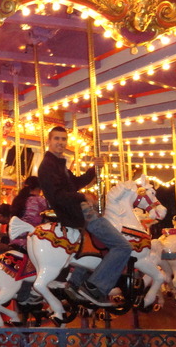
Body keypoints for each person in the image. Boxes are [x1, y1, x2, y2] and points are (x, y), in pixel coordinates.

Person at [38, 126, 131, 307]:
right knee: (122, 246)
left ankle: (76, 283)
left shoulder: (58, 164)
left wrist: (93, 169)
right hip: (79, 214)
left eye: (63, 139)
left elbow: (75, 183)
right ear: (48, 141)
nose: (60, 142)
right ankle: (96, 287)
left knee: (98, 247)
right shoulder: (48, 166)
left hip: (79, 212)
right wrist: (83, 197)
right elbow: (56, 195)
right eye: (56, 139)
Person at [8, 176, 48, 306]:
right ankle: (28, 293)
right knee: (43, 264)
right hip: (29, 239)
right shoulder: (38, 200)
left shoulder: (18, 200)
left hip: (15, 240)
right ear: (39, 188)